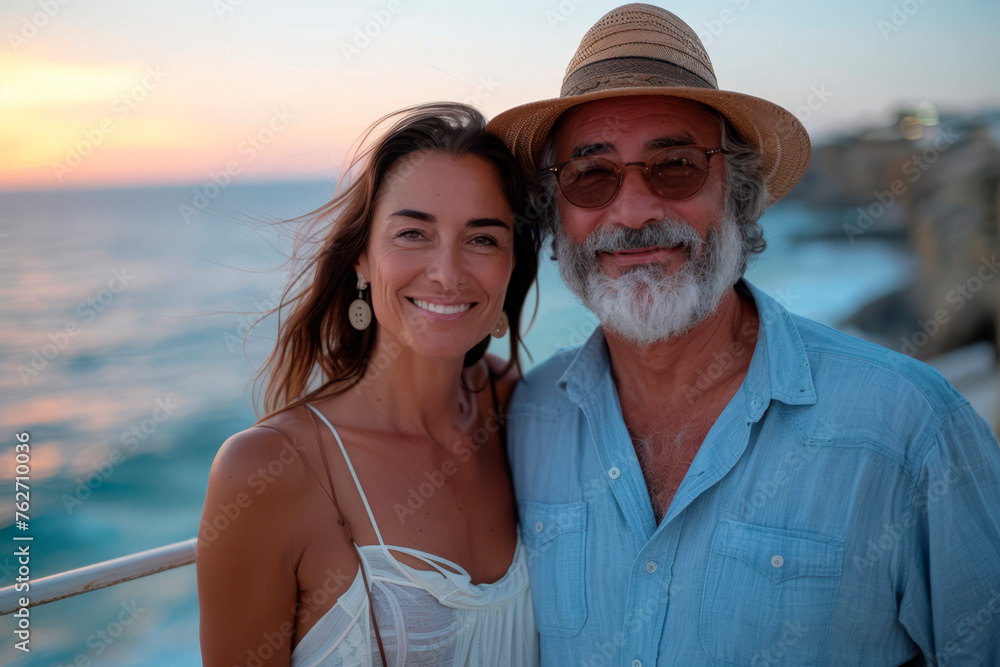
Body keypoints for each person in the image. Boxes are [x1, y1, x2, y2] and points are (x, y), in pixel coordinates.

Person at [487, 4, 1000, 666]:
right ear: (555, 214)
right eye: (591, 174)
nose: (635, 210)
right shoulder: (526, 419)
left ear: (738, 193)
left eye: (674, 165)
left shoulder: (911, 430)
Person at [196, 102, 542, 666]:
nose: (448, 272)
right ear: (361, 257)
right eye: (413, 233)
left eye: (482, 239)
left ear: (510, 264)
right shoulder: (266, 470)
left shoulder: (512, 406)